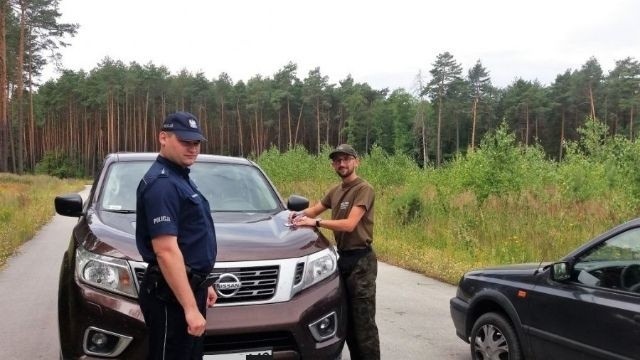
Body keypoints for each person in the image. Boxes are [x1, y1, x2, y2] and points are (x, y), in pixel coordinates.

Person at [136, 111, 218, 360]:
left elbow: (189, 238)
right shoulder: (162, 185)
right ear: (163, 137)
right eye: (185, 142)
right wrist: (190, 308)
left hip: (190, 288)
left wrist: (205, 283)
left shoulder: (180, 178)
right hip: (171, 298)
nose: (192, 148)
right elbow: (166, 250)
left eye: (196, 143)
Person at [290, 144, 380, 360]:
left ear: (356, 161)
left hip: (362, 261)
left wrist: (316, 222)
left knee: (364, 324)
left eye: (346, 159)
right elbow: (313, 209)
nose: (342, 164)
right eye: (337, 160)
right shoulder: (335, 190)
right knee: (346, 321)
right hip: (344, 259)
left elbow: (350, 224)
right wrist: (293, 215)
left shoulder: (363, 189)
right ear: (333, 165)